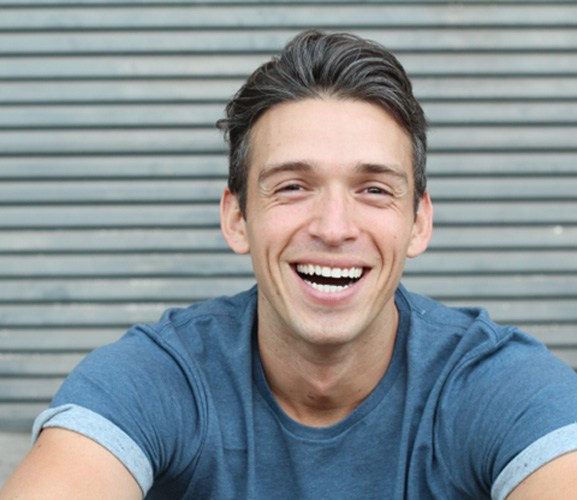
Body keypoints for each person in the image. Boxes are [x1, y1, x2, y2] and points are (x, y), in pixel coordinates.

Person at [2, 29, 577, 500]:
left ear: (418, 223)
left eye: (374, 190)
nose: (333, 227)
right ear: (237, 219)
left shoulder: (497, 385)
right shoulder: (159, 377)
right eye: (293, 186)